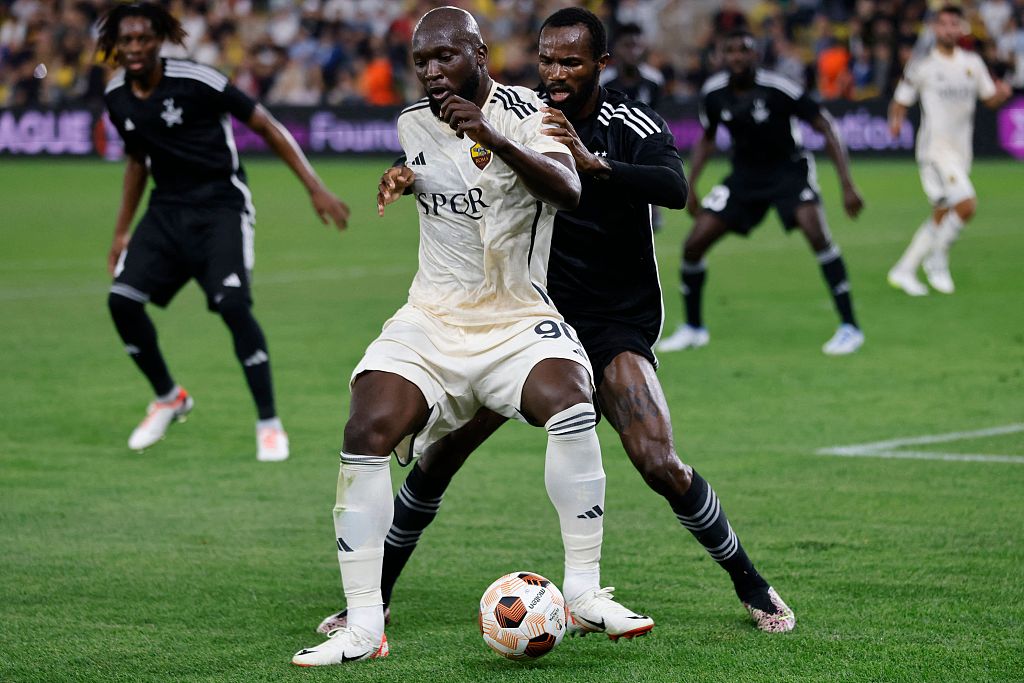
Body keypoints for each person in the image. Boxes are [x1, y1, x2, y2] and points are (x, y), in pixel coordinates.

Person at [315, 7, 796, 641]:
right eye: (546, 60)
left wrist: (600, 167)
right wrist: (413, 177)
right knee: (437, 458)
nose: (556, 73)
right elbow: (463, 172)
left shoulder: (626, 120)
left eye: (571, 62)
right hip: (527, 315)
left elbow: (675, 187)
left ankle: (751, 585)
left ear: (601, 64)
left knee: (656, 458)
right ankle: (369, 603)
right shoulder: (524, 113)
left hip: (609, 319)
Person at [291, 6, 652, 667]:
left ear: (479, 54)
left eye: (444, 58)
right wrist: (405, 177)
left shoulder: (529, 112)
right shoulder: (411, 123)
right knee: (365, 426)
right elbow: (439, 170)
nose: (431, 72)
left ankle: (583, 590)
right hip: (433, 316)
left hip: (515, 315)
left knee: (572, 398)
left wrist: (494, 134)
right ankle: (365, 626)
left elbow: (569, 189)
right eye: (420, 62)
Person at [99, 3, 349, 461]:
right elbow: (137, 161)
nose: (135, 48)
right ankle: (169, 397)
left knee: (233, 305)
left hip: (221, 208)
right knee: (121, 302)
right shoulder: (116, 95)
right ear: (116, 45)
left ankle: (269, 422)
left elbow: (266, 126)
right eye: (127, 40)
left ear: (160, 41)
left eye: (143, 39)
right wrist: (121, 232)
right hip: (166, 211)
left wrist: (316, 188)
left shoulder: (198, 81)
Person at [657, 29, 866, 356]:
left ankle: (850, 327)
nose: (738, 57)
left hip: (789, 171)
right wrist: (691, 183)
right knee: (694, 244)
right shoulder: (714, 93)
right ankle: (694, 328)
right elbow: (709, 138)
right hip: (744, 177)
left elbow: (825, 125)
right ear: (722, 56)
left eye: (745, 51)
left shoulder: (779, 88)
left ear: (756, 55)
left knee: (817, 234)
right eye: (731, 51)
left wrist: (848, 185)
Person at [886, 5, 1012, 296]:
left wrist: (1001, 96)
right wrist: (895, 122)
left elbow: (988, 99)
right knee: (967, 205)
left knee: (942, 214)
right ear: (934, 28)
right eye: (943, 24)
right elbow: (900, 100)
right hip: (935, 150)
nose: (949, 29)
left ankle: (904, 269)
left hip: (961, 151)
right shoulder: (922, 65)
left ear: (962, 28)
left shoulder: (972, 63)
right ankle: (937, 260)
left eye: (954, 24)